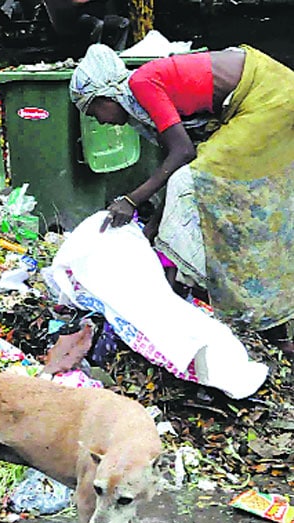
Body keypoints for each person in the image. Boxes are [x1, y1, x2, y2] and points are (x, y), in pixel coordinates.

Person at [69, 44, 294, 357]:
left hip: (267, 97)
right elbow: (179, 166)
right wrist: (150, 227)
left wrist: (131, 201)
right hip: (270, 91)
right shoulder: (141, 101)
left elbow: (184, 156)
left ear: (107, 96)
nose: (100, 121)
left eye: (93, 111)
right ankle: (274, 333)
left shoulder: (141, 84)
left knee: (202, 189)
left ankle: (177, 303)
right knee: (245, 221)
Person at [44, 0, 130, 54]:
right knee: (98, 24)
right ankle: (95, 56)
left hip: (98, 14)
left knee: (123, 22)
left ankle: (119, 54)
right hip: (74, 18)